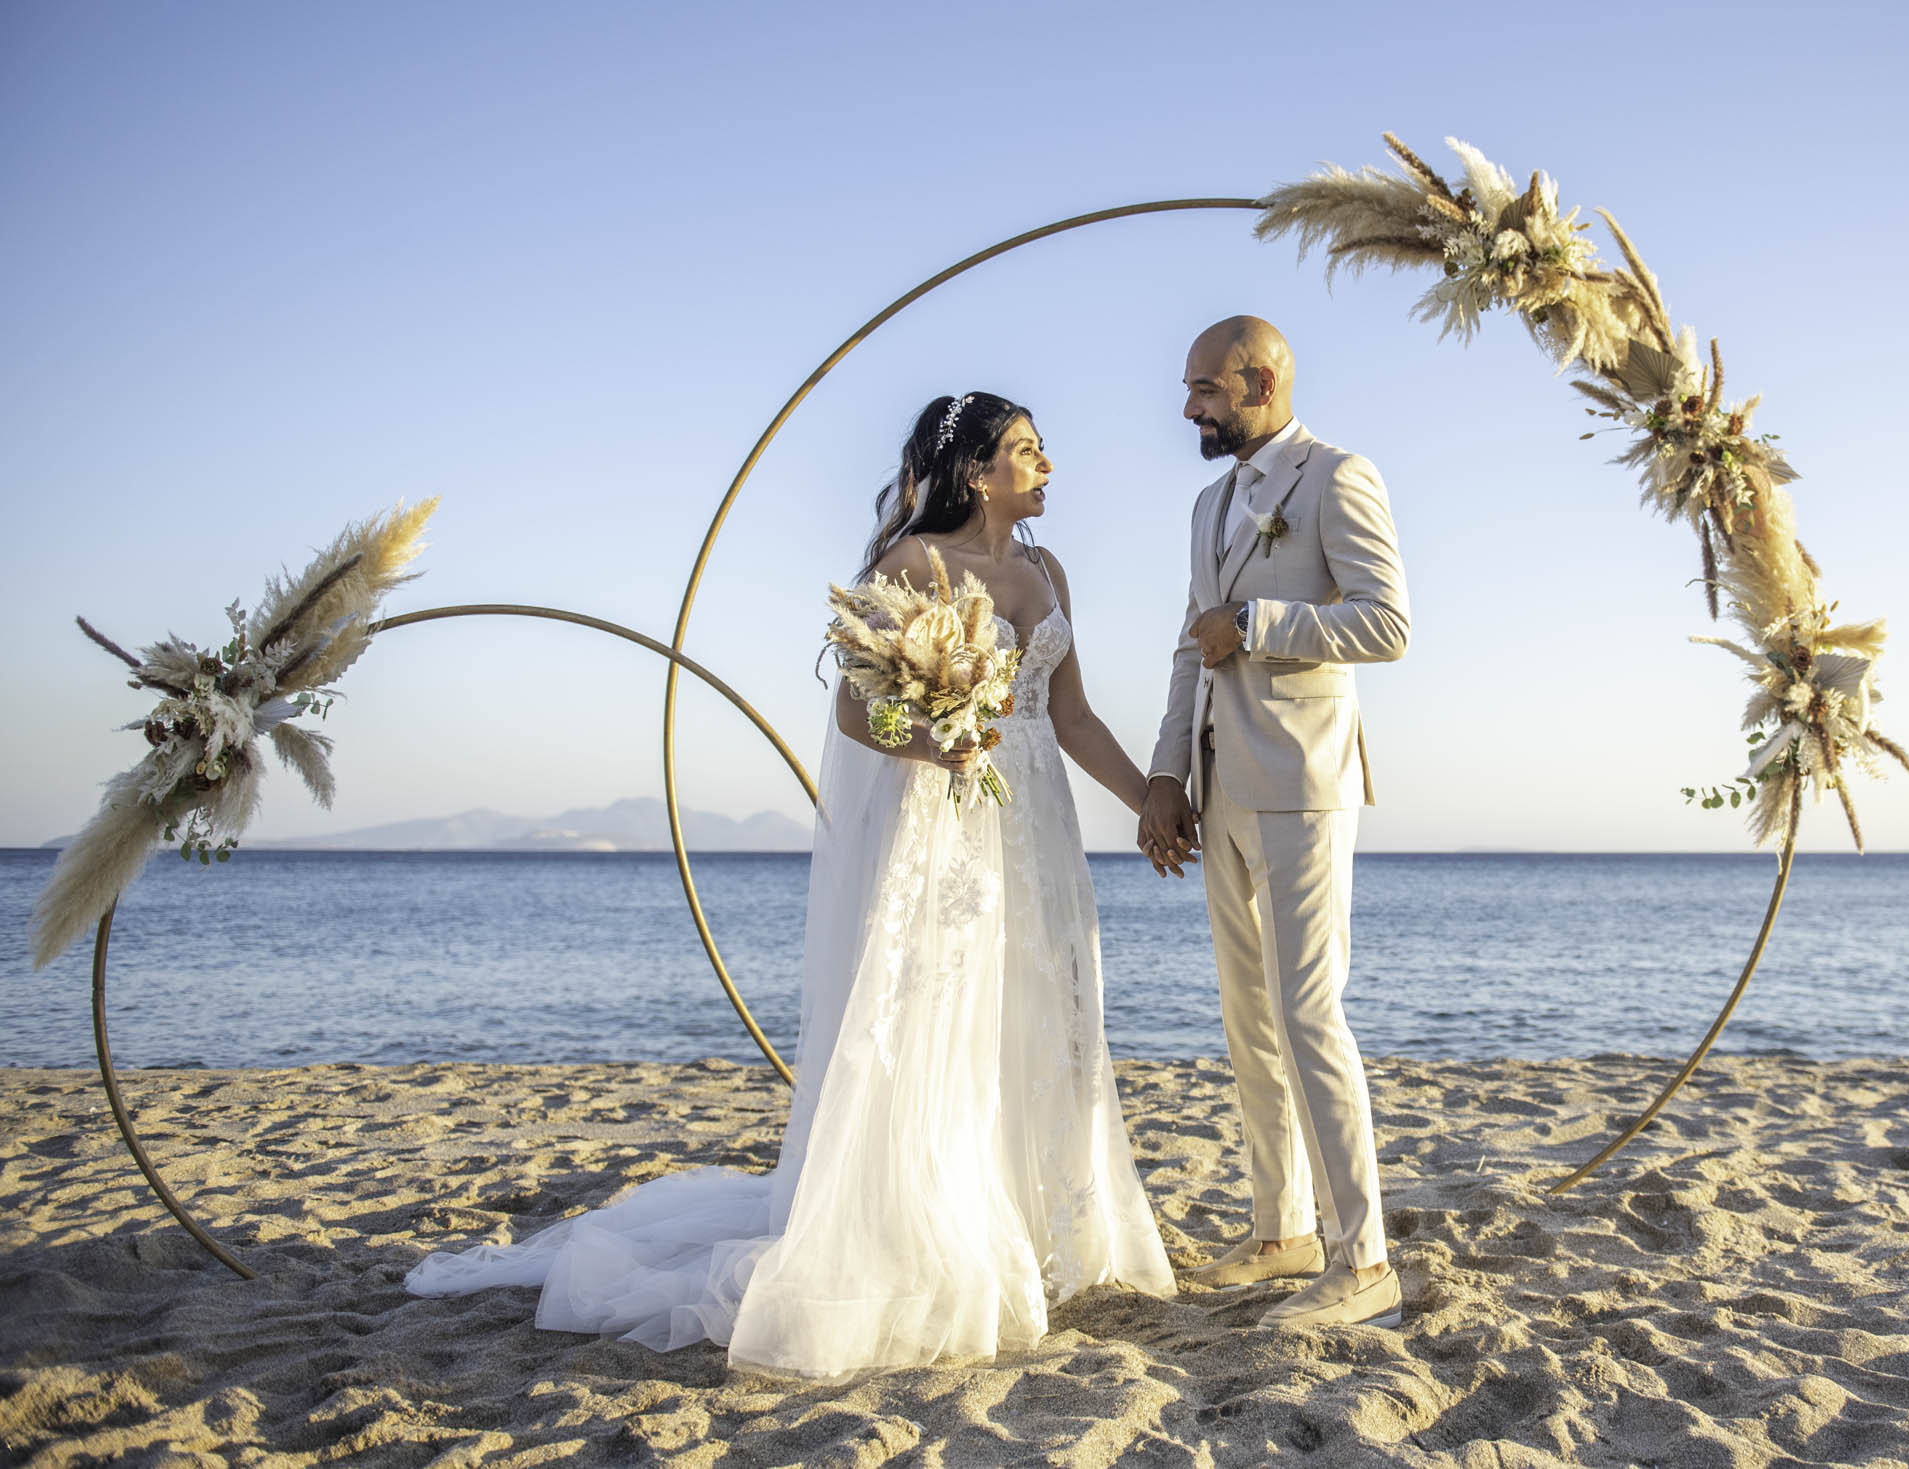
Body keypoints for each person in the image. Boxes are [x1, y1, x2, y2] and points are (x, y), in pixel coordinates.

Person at [407, 391, 1175, 1378]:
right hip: (947, 822)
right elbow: (862, 722)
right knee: (942, 1016)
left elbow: (1067, 715)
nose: (1049, 464)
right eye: (1029, 450)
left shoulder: (1046, 569)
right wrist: (944, 742)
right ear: (978, 470)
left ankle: (1048, 1227)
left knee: (1044, 1012)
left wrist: (1147, 797)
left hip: (1040, 825)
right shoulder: (907, 566)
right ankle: (939, 1229)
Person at [1138, 316, 1410, 1329]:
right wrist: (1165, 776)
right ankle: (1279, 1227)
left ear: (1258, 380)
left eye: (1205, 388)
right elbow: (1185, 649)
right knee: (1249, 1026)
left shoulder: (1338, 476)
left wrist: (1257, 625)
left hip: (1302, 782)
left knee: (1308, 1016)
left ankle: (1363, 1259)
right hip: (1217, 790)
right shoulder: (1208, 503)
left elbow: (1387, 622)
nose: (1189, 408)